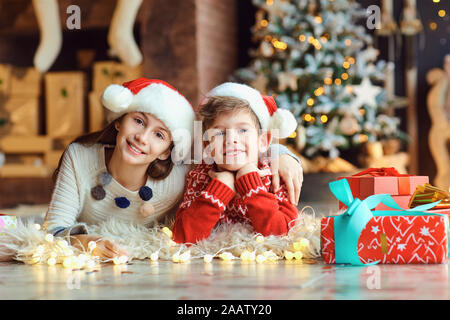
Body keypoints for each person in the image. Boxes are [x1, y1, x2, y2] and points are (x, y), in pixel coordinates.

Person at [42, 78, 303, 260]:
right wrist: (220, 187)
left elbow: (284, 231)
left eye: (159, 134)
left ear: (169, 149)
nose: (142, 138)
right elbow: (185, 235)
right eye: (138, 121)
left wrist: (281, 155)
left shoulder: (183, 172)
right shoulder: (198, 172)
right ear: (120, 121)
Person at [172, 82, 300, 244]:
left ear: (263, 141)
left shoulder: (274, 176)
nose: (231, 139)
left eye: (243, 130)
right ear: (207, 145)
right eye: (220, 132)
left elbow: (283, 233)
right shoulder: (200, 177)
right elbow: (181, 237)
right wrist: (219, 189)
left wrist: (252, 185)